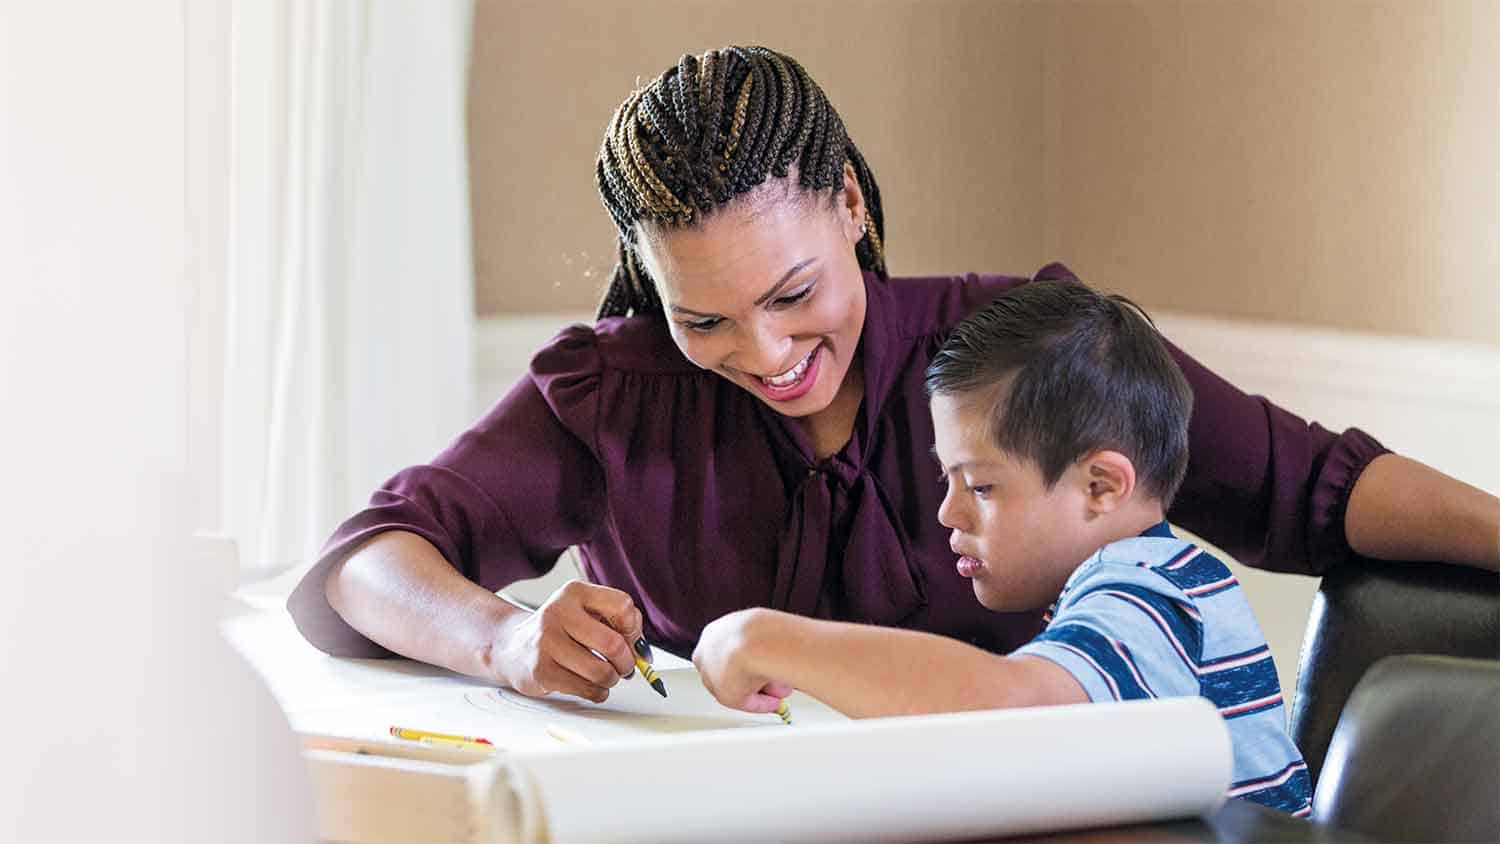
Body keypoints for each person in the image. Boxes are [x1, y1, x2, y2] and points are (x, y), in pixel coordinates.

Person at [287, 45, 1499, 707]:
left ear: (851, 205)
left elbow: (1312, 488)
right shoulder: (618, 393)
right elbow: (369, 559)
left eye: (793, 293)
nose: (765, 356)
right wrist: (502, 640)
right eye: (702, 316)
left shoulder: (1025, 351)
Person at [690, 280, 1312, 815]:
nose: (948, 511)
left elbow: (1020, 713)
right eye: (948, 479)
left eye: (981, 485)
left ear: (1100, 485)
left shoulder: (1147, 590)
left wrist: (766, 640)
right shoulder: (1152, 583)